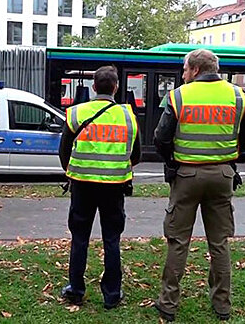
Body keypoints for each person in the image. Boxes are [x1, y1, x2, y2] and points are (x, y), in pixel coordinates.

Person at [153, 49, 245, 322]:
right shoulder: (237, 96)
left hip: (186, 176)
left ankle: (168, 304)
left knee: (178, 242)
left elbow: (161, 138)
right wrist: (223, 157)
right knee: (219, 243)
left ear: (195, 70)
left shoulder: (179, 96)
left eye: (185, 69)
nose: (183, 74)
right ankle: (222, 304)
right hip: (222, 176)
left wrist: (173, 161)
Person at [58, 65, 141, 310]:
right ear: (116, 87)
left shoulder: (76, 113)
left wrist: (74, 172)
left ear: (94, 87)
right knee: (112, 239)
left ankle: (76, 290)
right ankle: (112, 295)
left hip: (82, 187)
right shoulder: (128, 116)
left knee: (80, 239)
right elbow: (134, 155)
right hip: (114, 188)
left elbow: (64, 151)